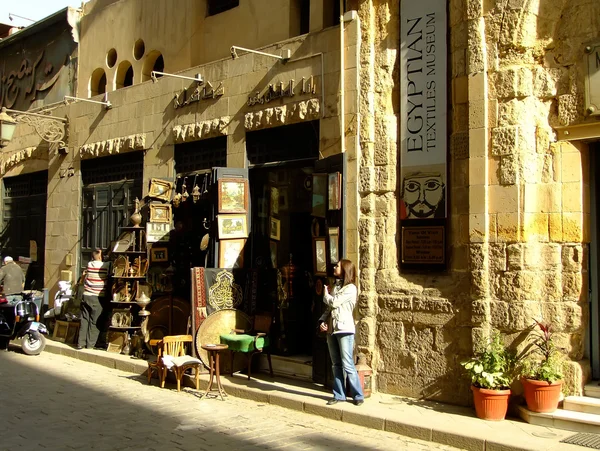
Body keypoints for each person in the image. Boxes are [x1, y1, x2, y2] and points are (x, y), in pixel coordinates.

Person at [318, 259, 364, 406]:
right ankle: (339, 394)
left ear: (344, 269)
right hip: (333, 328)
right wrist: (322, 321)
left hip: (344, 329)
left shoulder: (351, 288)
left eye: (337, 265)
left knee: (347, 363)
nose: (334, 267)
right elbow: (329, 309)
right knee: (335, 364)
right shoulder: (336, 286)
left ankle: (358, 395)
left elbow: (334, 302)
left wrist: (325, 294)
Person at [77, 249, 110, 350]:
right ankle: (90, 345)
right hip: (97, 297)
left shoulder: (89, 264)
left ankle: (80, 343)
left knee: (84, 320)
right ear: (100, 256)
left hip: (86, 296)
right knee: (94, 321)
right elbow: (111, 262)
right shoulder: (105, 265)